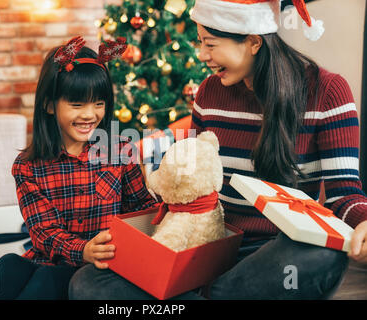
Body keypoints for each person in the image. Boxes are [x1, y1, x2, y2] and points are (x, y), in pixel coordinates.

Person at [68, 0, 367, 300]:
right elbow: (194, 175)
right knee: (89, 283)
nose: (202, 56)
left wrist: (363, 221)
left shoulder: (327, 92)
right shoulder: (210, 92)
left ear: (252, 42)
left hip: (275, 254)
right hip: (211, 245)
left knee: (322, 256)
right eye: (200, 43)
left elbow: (345, 193)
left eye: (210, 44)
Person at [0, 36, 156, 300]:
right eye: (77, 104)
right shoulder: (28, 167)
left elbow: (142, 210)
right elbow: (44, 232)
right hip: (52, 257)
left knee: (46, 277)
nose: (90, 115)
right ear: (49, 105)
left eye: (99, 103)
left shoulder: (121, 151)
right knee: (10, 264)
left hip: (94, 269)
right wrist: (82, 248)